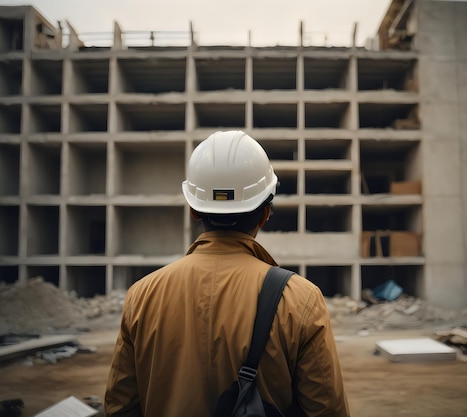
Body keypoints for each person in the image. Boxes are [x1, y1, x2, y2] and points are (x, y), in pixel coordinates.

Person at [104, 130, 350, 417]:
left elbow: (120, 408)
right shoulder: (301, 299)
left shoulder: (141, 296)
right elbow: (327, 410)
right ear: (265, 213)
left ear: (194, 210)